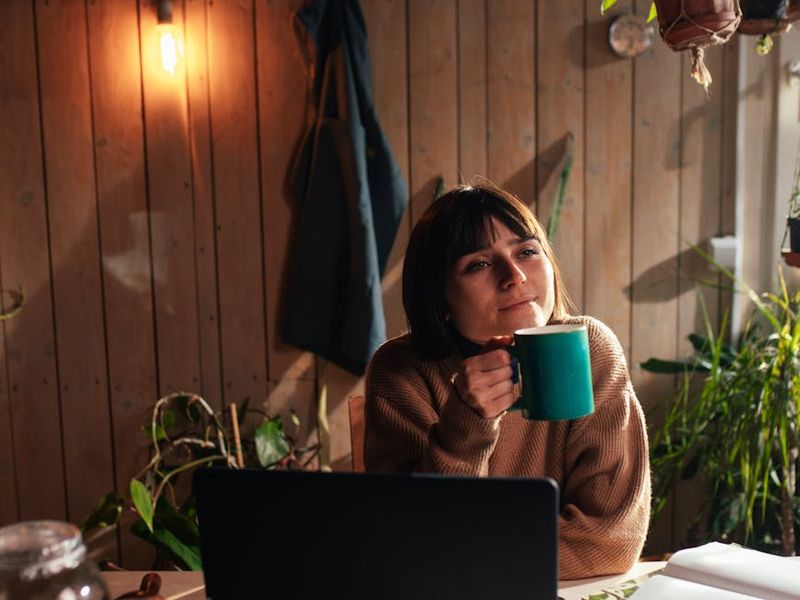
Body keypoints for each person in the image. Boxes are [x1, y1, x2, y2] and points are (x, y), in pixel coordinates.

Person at [363, 183, 651, 580]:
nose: (514, 276)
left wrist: (468, 554)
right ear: (439, 297)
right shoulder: (401, 371)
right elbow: (415, 548)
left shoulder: (590, 350)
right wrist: (465, 423)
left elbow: (610, 542)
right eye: (479, 264)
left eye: (527, 251)